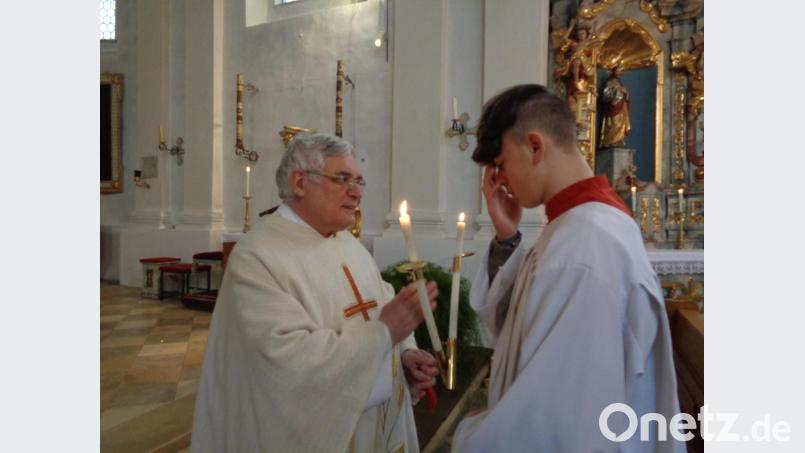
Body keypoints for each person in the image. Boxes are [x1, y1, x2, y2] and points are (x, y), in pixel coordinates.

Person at [451, 85, 684, 452]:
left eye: (501, 164)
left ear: (535, 145)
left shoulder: (583, 246)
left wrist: (469, 436)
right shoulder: (577, 227)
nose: (499, 180)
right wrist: (507, 237)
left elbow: (557, 420)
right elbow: (523, 326)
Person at [192, 133, 440, 453]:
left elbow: (382, 306)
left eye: (359, 181)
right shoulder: (257, 256)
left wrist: (402, 355)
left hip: (370, 428)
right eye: (343, 178)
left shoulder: (347, 243)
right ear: (299, 183)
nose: (357, 192)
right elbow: (288, 362)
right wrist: (384, 333)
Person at [600, 66, 631, 148]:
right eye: (617, 71)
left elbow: (626, 96)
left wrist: (626, 93)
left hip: (622, 106)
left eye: (620, 72)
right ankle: (608, 141)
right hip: (613, 107)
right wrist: (615, 92)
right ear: (613, 72)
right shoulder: (609, 83)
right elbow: (605, 97)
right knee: (615, 124)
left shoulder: (621, 84)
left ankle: (618, 140)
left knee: (621, 124)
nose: (618, 73)